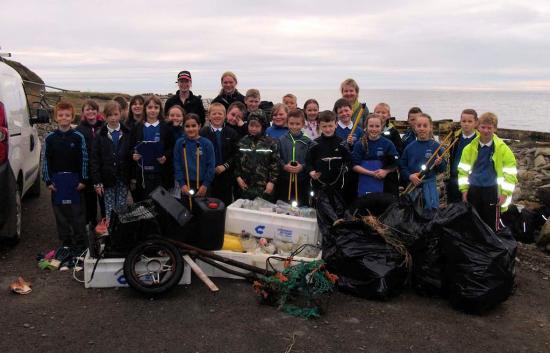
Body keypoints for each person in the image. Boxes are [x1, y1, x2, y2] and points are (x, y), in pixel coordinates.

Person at [458, 112, 517, 231]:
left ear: (495, 128)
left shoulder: (503, 149)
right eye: (483, 127)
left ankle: (490, 247)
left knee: (490, 224)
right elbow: (462, 172)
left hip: (492, 190)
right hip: (473, 189)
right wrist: (464, 190)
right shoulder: (469, 149)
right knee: (474, 221)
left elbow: (510, 174)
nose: (486, 131)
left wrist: (505, 193)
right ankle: (475, 246)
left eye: (489, 128)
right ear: (478, 127)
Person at [42, 101, 87, 251]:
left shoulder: (78, 137)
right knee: (61, 215)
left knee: (77, 213)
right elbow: (45, 160)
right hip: (57, 182)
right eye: (60, 115)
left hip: (75, 182)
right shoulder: (49, 138)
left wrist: (83, 179)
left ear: (72, 117)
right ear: (56, 117)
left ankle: (80, 242)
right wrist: (48, 181)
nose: (64, 118)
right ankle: (66, 242)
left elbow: (84, 159)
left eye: (67, 115)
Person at [91, 101, 131, 225]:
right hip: (107, 179)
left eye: (115, 114)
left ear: (120, 114)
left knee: (122, 208)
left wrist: (132, 177)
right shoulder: (99, 135)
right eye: (109, 115)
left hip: (123, 178)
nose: (113, 118)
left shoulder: (128, 133)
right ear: (104, 116)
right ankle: (110, 235)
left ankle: (120, 233)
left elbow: (130, 156)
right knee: (109, 208)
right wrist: (97, 182)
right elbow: (95, 160)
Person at [130, 95, 175, 201]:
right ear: (145, 109)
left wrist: (165, 157)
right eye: (150, 107)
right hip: (142, 173)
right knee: (143, 203)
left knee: (160, 203)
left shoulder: (166, 127)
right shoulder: (137, 127)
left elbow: (171, 147)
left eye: (156, 107)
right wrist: (133, 155)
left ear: (160, 110)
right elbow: (131, 147)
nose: (153, 110)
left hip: (159, 173)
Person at [400, 113, 446, 211]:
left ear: (430, 127)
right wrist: (409, 176)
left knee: (431, 212)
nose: (422, 128)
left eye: (425, 126)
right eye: (419, 126)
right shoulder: (409, 147)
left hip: (431, 186)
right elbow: (402, 167)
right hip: (413, 185)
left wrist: (440, 163)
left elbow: (443, 168)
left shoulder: (436, 146)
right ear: (415, 128)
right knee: (414, 212)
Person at [199, 103, 240, 206]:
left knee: (224, 204)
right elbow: (199, 154)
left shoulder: (232, 133)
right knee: (208, 205)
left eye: (220, 113)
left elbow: (236, 154)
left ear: (225, 116)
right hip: (208, 177)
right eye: (214, 113)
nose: (217, 116)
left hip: (226, 175)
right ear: (208, 116)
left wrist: (225, 166)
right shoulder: (202, 133)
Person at [234, 111, 280, 201]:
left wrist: (271, 182)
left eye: (257, 126)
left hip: (264, 188)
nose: (253, 129)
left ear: (262, 127)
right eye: (251, 125)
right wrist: (238, 177)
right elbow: (237, 162)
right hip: (245, 187)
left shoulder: (271, 143)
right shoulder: (242, 142)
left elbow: (275, 164)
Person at [307, 110, 351, 199]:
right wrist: (311, 171)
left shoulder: (342, 143)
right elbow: (308, 161)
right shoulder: (314, 143)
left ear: (336, 124)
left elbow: (348, 160)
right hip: (319, 184)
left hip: (338, 184)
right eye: (324, 126)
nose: (327, 129)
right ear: (319, 125)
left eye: (330, 126)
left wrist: (345, 169)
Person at [352, 114, 399, 196]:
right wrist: (371, 173)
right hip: (364, 181)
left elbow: (395, 163)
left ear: (382, 127)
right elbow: (354, 165)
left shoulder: (388, 144)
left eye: (377, 126)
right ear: (366, 127)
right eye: (371, 126)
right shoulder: (359, 144)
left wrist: (385, 171)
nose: (374, 129)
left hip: (383, 181)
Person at [174, 114, 216, 206]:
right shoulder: (179, 143)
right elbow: (177, 164)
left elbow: (211, 166)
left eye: (193, 126)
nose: (191, 129)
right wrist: (182, 184)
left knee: (202, 212)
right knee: (186, 213)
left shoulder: (207, 144)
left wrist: (205, 185)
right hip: (186, 184)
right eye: (187, 126)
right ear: (183, 127)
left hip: (202, 184)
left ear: (199, 126)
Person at [76, 99, 104, 227]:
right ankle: (91, 223)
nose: (91, 111)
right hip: (86, 170)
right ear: (83, 112)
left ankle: (106, 221)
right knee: (89, 200)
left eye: (93, 109)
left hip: (101, 169)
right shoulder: (79, 129)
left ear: (97, 111)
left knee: (103, 198)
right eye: (88, 109)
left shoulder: (104, 126)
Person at [277, 109, 312, 206]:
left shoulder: (308, 141)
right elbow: (276, 157)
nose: (294, 126)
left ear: (303, 124)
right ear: (287, 123)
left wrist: (302, 167)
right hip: (285, 179)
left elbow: (311, 160)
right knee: (284, 206)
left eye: (297, 124)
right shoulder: (281, 140)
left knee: (301, 206)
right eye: (291, 123)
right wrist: (284, 166)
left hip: (302, 180)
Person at [446, 109, 478, 203]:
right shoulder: (455, 138)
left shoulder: (478, 141)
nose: (466, 124)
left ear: (476, 123)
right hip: (454, 179)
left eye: (470, 121)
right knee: (453, 208)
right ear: (460, 122)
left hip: (471, 181)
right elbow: (451, 157)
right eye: (464, 121)